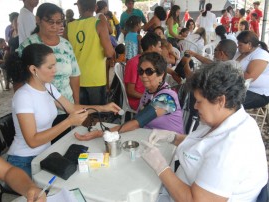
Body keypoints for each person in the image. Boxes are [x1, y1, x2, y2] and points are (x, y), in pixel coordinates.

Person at [141, 62, 268, 202]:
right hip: (184, 184)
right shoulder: (225, 116)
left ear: (220, 100)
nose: (195, 106)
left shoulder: (232, 147)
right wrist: (173, 137)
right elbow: (205, 146)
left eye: (199, 101)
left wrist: (161, 167)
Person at [5, 44, 121, 176]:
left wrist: (102, 107)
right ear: (33, 69)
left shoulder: (48, 87)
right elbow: (33, 141)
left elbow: (71, 108)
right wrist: (68, 122)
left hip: (45, 154)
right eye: (50, 67)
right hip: (24, 160)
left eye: (55, 65)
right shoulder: (23, 96)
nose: (55, 70)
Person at [75, 52, 184, 141]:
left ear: (161, 75)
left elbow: (138, 121)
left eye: (149, 71)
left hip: (169, 144)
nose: (143, 76)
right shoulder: (149, 91)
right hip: (150, 137)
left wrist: (101, 133)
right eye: (141, 71)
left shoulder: (166, 99)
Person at [18, 3, 81, 141]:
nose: (55, 26)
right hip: (40, 112)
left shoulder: (66, 45)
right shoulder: (28, 46)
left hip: (65, 106)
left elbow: (74, 75)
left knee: (62, 145)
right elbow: (18, 79)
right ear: (38, 20)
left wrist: (75, 105)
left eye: (59, 22)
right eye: (50, 21)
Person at [67, 0, 114, 105]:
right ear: (95, 7)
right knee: (96, 114)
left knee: (82, 113)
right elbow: (109, 53)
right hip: (95, 78)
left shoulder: (69, 27)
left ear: (79, 7)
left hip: (75, 79)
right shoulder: (99, 24)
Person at [124, 32, 162, 111]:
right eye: (159, 47)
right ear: (151, 48)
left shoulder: (150, 62)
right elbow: (130, 91)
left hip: (147, 96)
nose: (160, 50)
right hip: (138, 102)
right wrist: (150, 98)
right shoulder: (134, 63)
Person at [235, 31, 269, 109]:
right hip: (241, 88)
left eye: (240, 45)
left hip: (258, 93)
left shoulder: (261, 54)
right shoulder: (241, 52)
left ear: (249, 44)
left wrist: (229, 74)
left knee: (228, 103)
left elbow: (249, 77)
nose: (238, 46)